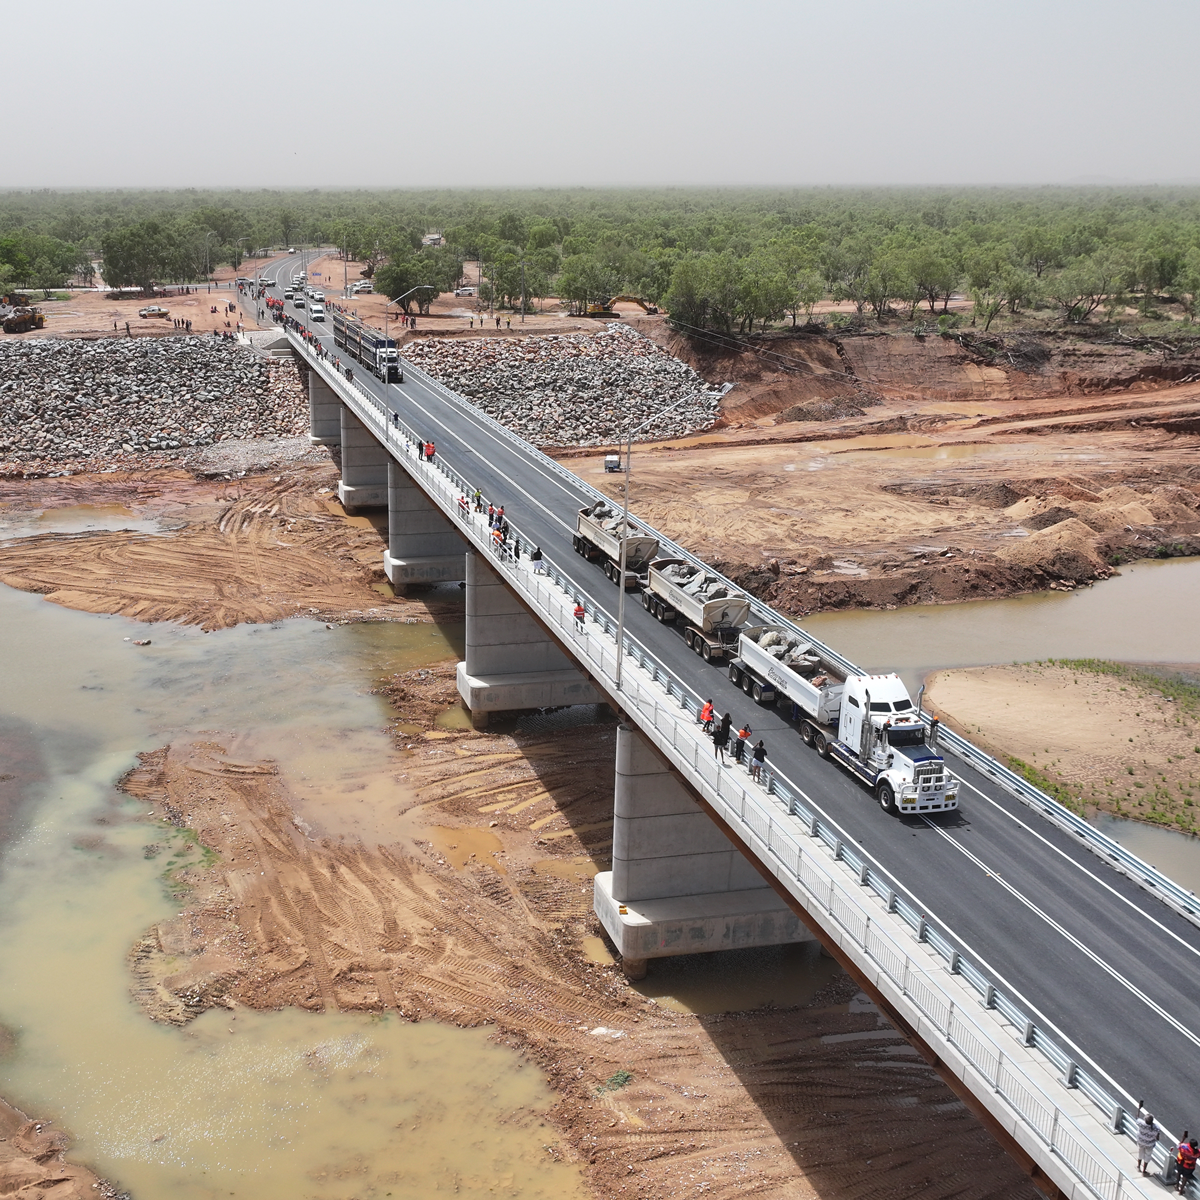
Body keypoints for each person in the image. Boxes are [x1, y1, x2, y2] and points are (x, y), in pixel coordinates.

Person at [1136, 1104, 1159, 1176]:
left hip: (1141, 1142)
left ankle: (1138, 1166)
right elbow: (1157, 1138)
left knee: (1140, 1153)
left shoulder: (1141, 1124)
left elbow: (1137, 1117)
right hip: (1149, 1144)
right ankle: (1144, 1170)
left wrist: (1139, 1108)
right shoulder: (1156, 1128)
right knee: (1147, 1156)